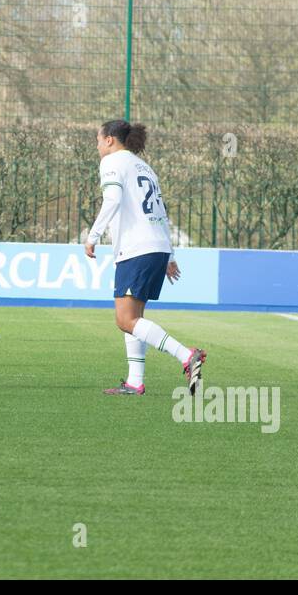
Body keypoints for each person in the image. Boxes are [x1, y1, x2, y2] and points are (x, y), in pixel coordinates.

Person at [85, 119, 206, 397]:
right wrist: (170, 255)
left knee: (125, 320)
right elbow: (161, 212)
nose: (97, 145)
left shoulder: (113, 162)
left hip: (136, 248)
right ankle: (134, 381)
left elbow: (112, 200)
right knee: (135, 318)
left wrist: (93, 235)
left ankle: (187, 356)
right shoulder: (144, 167)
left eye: (98, 139)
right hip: (156, 247)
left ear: (110, 140)